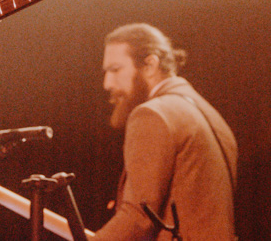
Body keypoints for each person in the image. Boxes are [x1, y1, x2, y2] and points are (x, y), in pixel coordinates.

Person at [96, 23, 237, 241]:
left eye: (115, 70)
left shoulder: (151, 114)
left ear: (150, 65)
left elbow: (139, 217)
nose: (107, 83)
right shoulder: (212, 117)